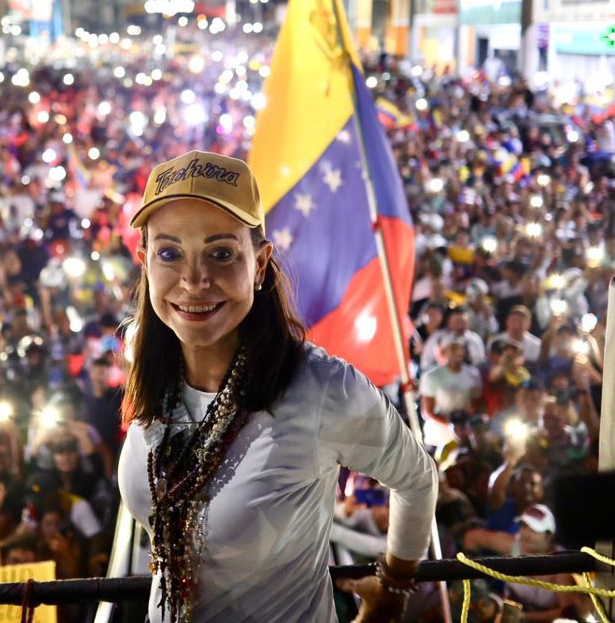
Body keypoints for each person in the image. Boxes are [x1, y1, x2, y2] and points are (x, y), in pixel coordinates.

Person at [116, 150, 438, 623]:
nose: (193, 279)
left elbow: (417, 479)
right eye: (169, 253)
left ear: (260, 263)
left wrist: (393, 586)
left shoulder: (320, 388)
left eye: (221, 253)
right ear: (145, 262)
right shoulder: (144, 357)